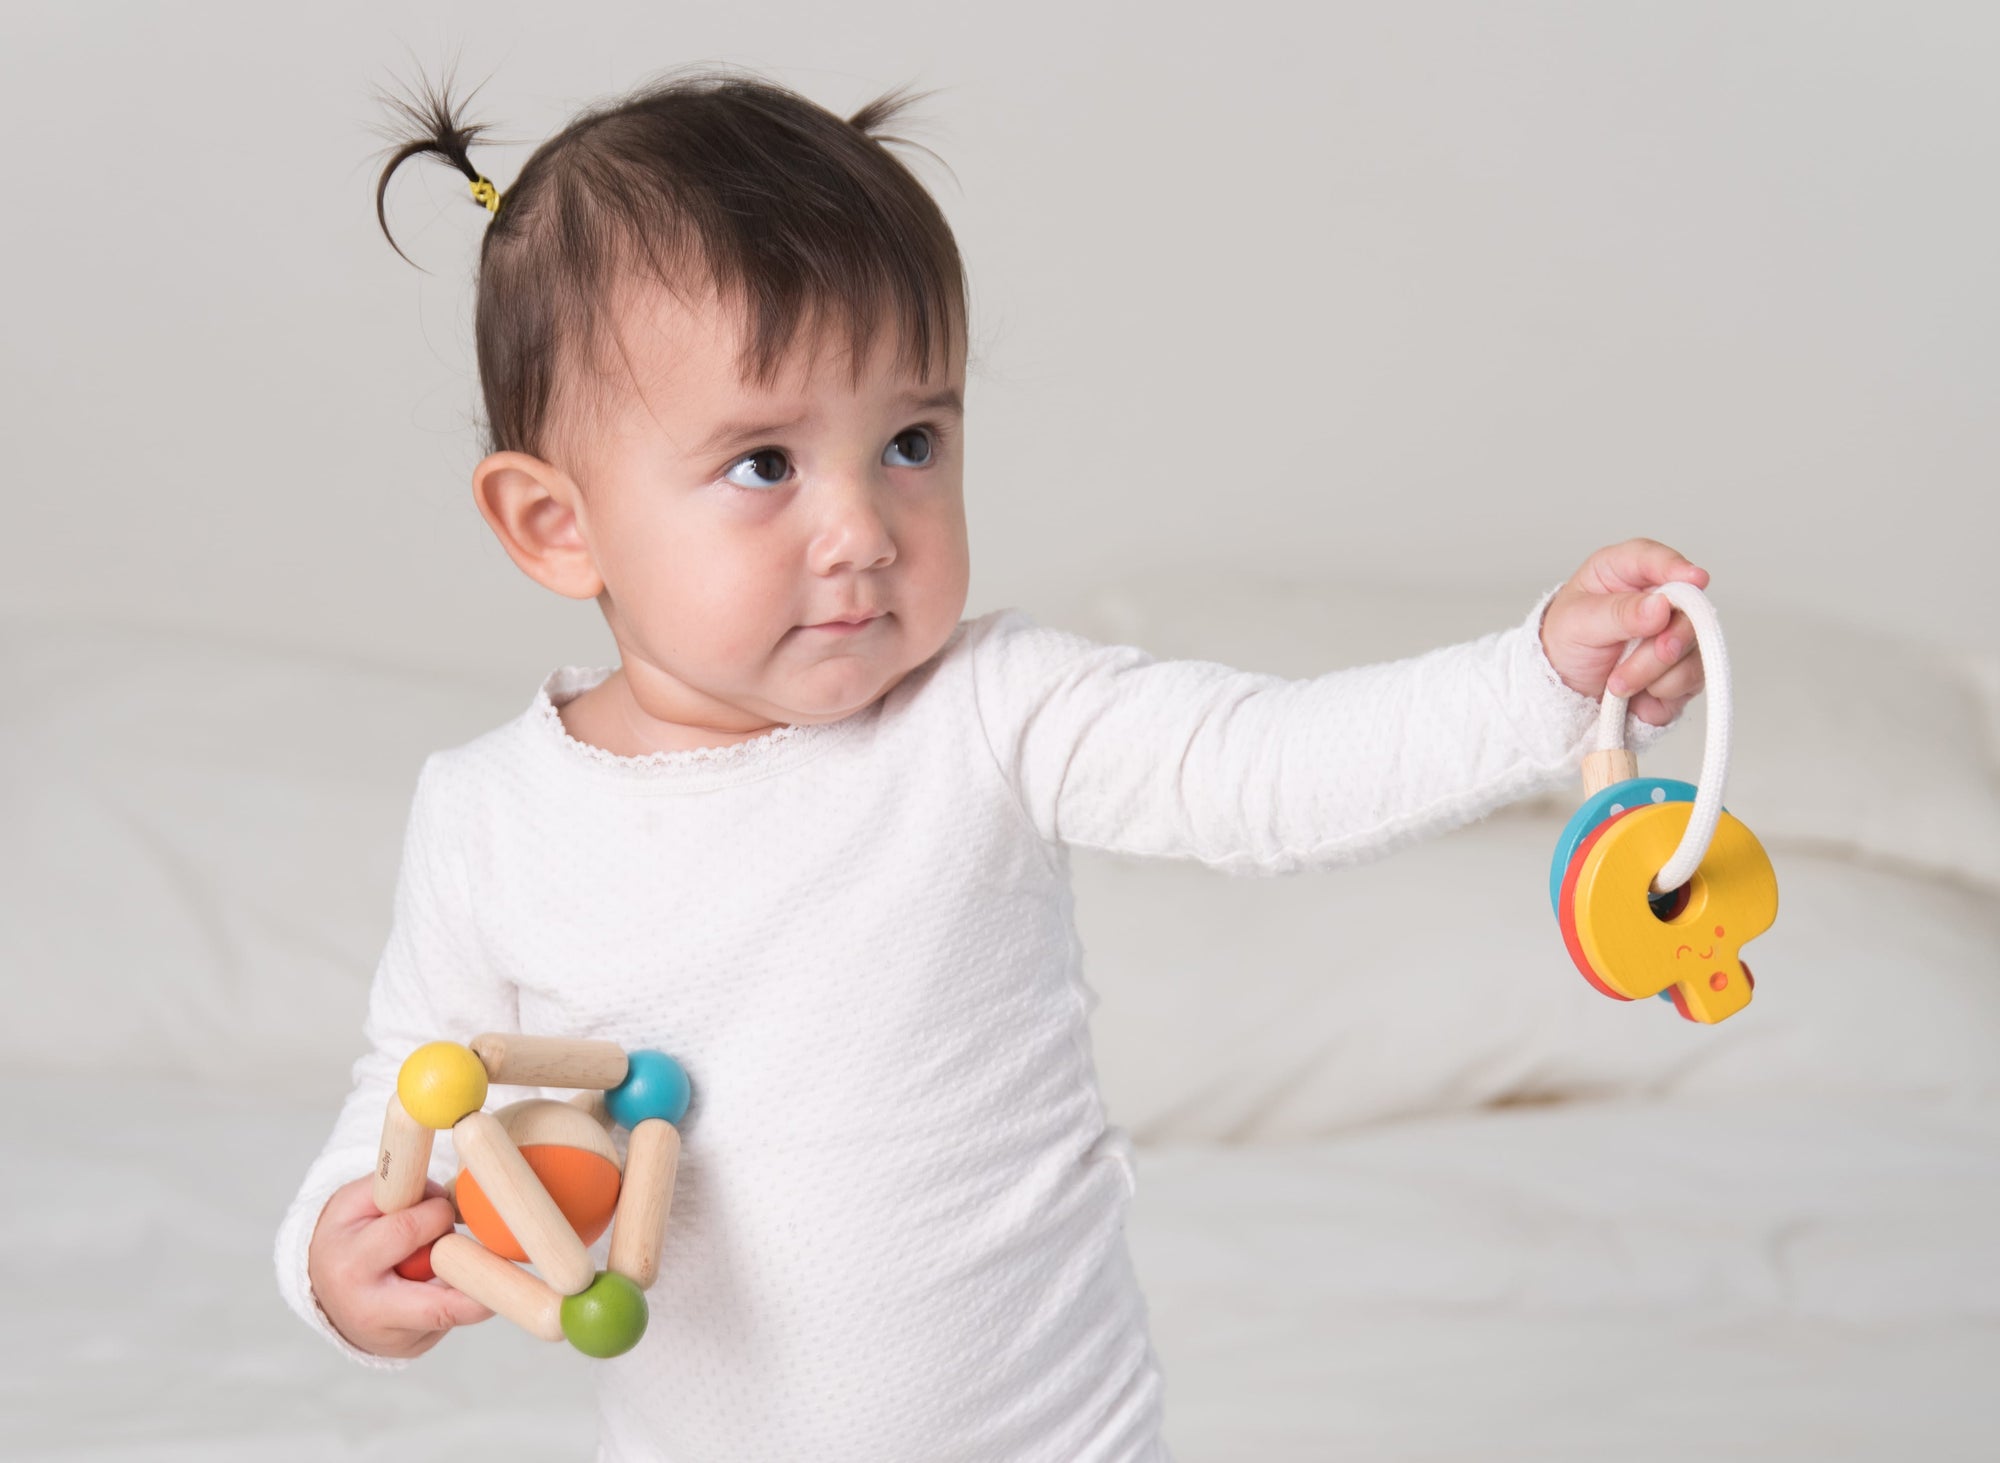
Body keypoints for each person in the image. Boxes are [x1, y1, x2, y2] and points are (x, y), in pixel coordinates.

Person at [273, 58, 1707, 1463]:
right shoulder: (491, 820)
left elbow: (1268, 768)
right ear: (553, 527)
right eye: (764, 464)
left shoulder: (994, 712)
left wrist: (1536, 679)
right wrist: (340, 1258)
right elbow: (407, 1093)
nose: (862, 530)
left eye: (908, 440)